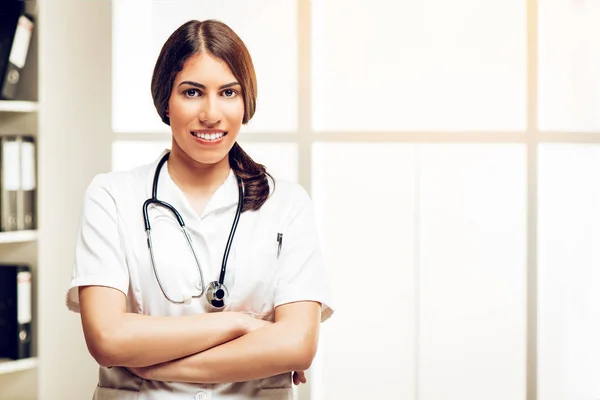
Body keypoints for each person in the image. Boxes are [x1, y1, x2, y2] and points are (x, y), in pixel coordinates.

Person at [65, 19, 334, 400]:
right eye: (192, 92)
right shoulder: (111, 196)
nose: (211, 113)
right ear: (165, 101)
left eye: (228, 92)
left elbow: (298, 345)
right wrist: (240, 325)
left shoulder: (287, 204)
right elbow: (107, 338)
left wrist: (154, 363)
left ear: (246, 103)